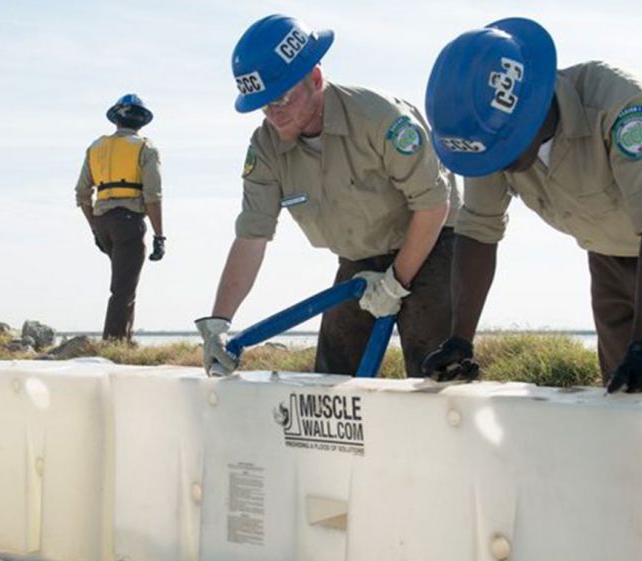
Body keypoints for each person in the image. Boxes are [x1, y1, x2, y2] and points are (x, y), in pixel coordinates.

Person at [421, 18, 642, 397]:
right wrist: (460, 340)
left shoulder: (618, 104)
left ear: (530, 112)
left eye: (501, 152)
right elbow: (478, 232)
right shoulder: (487, 139)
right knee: (629, 393)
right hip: (607, 250)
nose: (495, 165)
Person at [196, 14, 458, 377]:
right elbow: (252, 235)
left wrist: (396, 281)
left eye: (283, 98)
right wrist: (219, 323)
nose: (275, 114)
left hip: (430, 240)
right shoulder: (266, 148)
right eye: (265, 104)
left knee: (435, 366)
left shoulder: (381, 118)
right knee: (332, 373)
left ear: (315, 79)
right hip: (360, 256)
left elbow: (433, 205)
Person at [76, 94, 165, 341]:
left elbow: (82, 193)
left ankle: (124, 338)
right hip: (128, 222)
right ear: (142, 121)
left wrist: (94, 228)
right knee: (124, 288)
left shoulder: (96, 148)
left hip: (103, 222)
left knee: (124, 282)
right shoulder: (146, 148)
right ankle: (114, 343)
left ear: (116, 119)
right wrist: (159, 235)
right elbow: (153, 196)